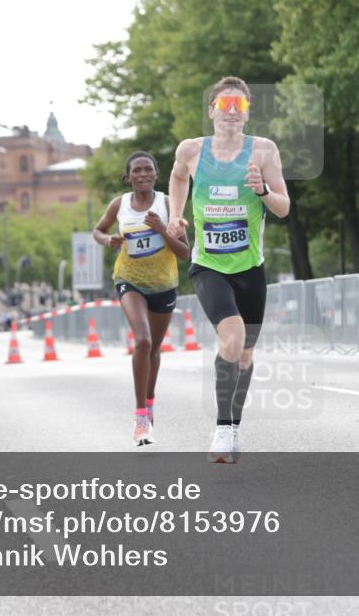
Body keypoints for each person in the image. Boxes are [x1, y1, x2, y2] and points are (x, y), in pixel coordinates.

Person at [166, 76, 290, 463]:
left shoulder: (264, 151)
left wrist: (262, 191)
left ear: (247, 113)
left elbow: (284, 207)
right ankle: (221, 430)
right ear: (212, 111)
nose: (232, 112)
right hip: (209, 266)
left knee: (246, 355)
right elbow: (177, 177)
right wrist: (175, 215)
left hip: (250, 268)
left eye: (239, 106)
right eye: (225, 105)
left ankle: (234, 425)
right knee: (232, 340)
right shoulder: (191, 150)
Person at [94, 151, 190, 446]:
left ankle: (149, 403)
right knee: (143, 341)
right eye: (137, 170)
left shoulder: (167, 204)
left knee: (155, 349)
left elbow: (185, 253)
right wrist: (108, 240)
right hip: (129, 280)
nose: (143, 174)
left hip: (164, 284)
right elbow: (98, 230)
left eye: (148, 169)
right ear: (128, 177)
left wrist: (162, 229)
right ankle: (139, 418)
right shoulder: (119, 205)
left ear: (156, 175)